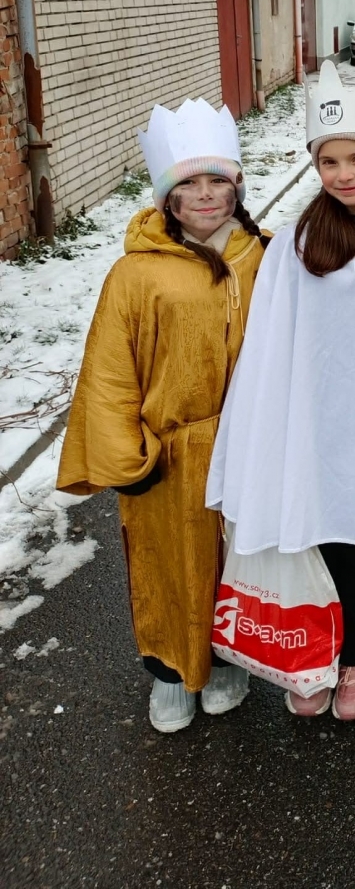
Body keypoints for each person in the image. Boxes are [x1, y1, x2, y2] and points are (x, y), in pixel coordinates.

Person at [206, 60, 355, 722]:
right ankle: (311, 654)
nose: (344, 174)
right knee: (310, 541)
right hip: (313, 424)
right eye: (329, 161)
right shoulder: (297, 243)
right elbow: (271, 339)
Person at [57, 99, 269, 734]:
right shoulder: (136, 275)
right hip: (171, 453)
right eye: (189, 184)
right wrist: (125, 457)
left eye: (217, 181)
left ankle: (228, 661)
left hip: (248, 444)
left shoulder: (263, 257)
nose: (205, 195)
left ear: (236, 188)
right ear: (168, 200)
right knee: (167, 564)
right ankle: (170, 670)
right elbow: (110, 371)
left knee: (240, 562)